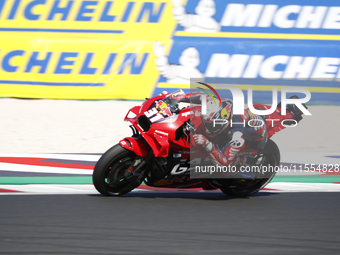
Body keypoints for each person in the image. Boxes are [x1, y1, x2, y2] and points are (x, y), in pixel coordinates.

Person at [170, 91, 267, 167]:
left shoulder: (236, 134)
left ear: (225, 122)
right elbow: (201, 96)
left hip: (253, 139)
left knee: (226, 169)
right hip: (232, 126)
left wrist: (207, 144)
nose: (208, 129)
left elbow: (224, 163)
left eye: (213, 126)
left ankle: (243, 162)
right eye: (207, 124)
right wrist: (177, 98)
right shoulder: (215, 105)